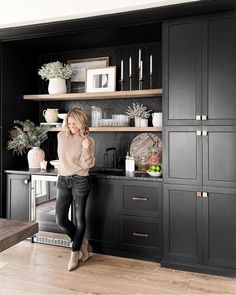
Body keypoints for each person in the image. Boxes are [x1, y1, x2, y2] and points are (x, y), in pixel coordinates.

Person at [56, 107, 95, 271]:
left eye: (74, 123)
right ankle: (82, 242)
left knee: (79, 218)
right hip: (63, 180)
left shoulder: (89, 140)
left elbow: (88, 164)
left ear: (81, 123)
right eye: (69, 123)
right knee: (60, 219)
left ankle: (74, 253)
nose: (71, 126)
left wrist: (86, 148)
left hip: (80, 180)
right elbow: (63, 159)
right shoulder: (60, 135)